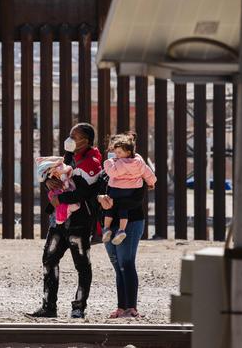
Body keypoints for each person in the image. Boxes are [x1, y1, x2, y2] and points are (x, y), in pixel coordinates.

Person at [27, 123, 102, 319]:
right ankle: (48, 306)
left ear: (85, 141)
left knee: (82, 265)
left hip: (80, 222)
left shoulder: (92, 162)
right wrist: (47, 182)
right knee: (49, 259)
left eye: (74, 136)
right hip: (58, 222)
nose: (69, 139)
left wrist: (61, 199)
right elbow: (55, 179)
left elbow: (84, 192)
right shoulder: (69, 157)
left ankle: (78, 307)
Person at [98, 178, 148, 318]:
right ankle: (121, 307)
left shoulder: (137, 171)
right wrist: (100, 198)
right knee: (117, 265)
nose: (117, 155)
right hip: (108, 224)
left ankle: (131, 308)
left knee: (126, 263)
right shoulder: (105, 173)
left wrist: (112, 202)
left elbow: (136, 200)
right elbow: (95, 192)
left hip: (131, 222)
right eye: (115, 153)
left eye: (121, 153)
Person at [102, 132, 156, 245]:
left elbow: (111, 172)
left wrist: (108, 162)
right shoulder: (139, 162)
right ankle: (121, 230)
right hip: (131, 190)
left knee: (110, 207)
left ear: (127, 152)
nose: (116, 154)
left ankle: (106, 228)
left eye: (119, 152)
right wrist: (151, 182)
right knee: (123, 209)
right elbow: (148, 173)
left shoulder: (118, 163)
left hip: (116, 189)